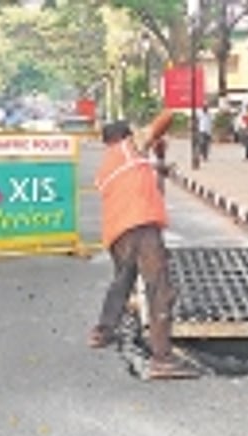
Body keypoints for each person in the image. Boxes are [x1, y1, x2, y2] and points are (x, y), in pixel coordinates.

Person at [89, 110, 196, 379]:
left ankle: (103, 331)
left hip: (117, 234)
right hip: (140, 228)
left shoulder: (110, 164)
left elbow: (146, 179)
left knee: (122, 282)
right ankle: (162, 359)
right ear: (126, 136)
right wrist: (174, 108)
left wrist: (158, 160)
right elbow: (162, 122)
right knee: (160, 289)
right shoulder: (129, 147)